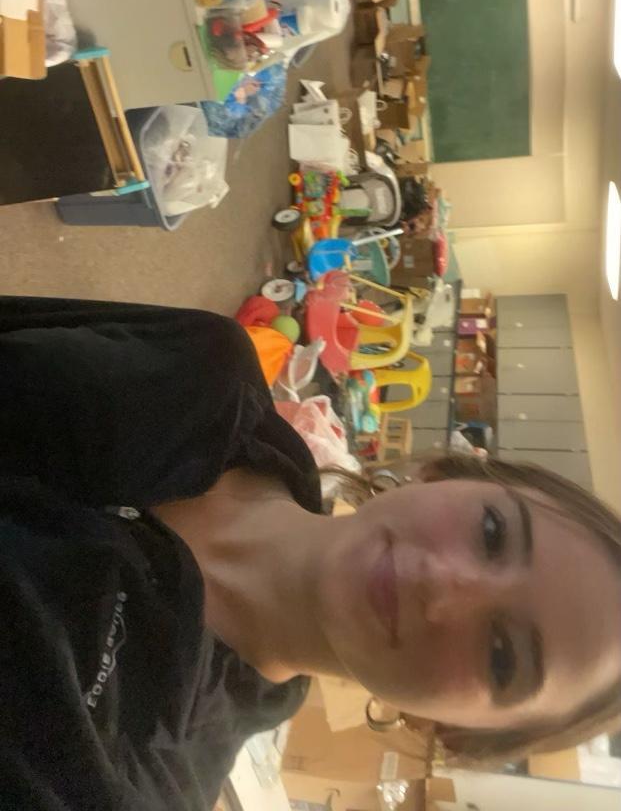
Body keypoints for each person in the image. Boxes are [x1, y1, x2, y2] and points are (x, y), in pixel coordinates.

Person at [0, 296, 619, 810]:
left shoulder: (130, 783)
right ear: (445, 474)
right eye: (491, 532)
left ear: (451, 731)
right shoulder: (211, 369)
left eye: (503, 656)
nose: (446, 581)